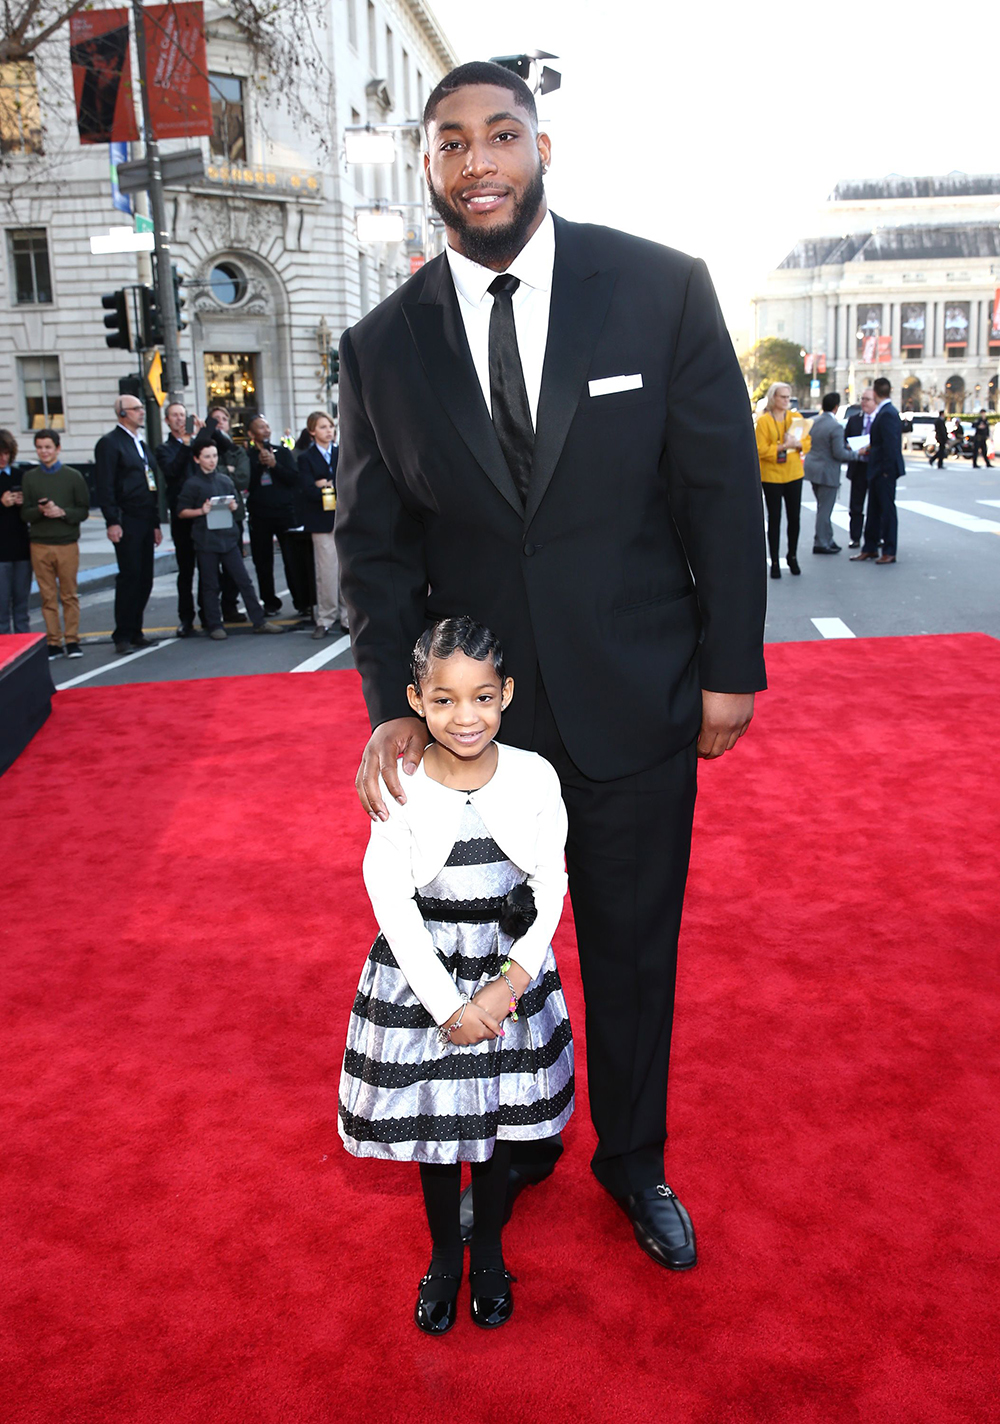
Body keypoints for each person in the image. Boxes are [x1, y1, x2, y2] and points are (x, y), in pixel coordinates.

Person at [336, 61, 766, 1274]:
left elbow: (719, 488)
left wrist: (732, 664)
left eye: (501, 136)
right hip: (476, 726)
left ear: (541, 149)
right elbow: (373, 552)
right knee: (481, 944)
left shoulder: (658, 287)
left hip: (638, 687)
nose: (478, 162)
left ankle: (632, 1158)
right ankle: (514, 1133)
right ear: (426, 167)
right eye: (450, 143)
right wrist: (399, 711)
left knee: (632, 943)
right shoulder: (379, 344)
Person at [339, 617, 573, 1333]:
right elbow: (389, 899)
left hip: (507, 977)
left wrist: (506, 988)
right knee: (439, 1128)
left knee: (496, 1124)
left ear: (505, 693)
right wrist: (447, 1005)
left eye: (480, 697)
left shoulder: (535, 774)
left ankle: (492, 1252)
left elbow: (551, 882)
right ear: (415, 699)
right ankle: (446, 1256)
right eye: (443, 700)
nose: (464, 717)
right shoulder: (400, 785)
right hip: (425, 983)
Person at [175, 436, 284, 639]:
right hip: (206, 541)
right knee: (210, 584)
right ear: (197, 459)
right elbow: (181, 511)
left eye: (214, 456)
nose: (212, 460)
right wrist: (201, 510)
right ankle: (214, 624)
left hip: (228, 538)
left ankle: (259, 621)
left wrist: (234, 507)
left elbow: (237, 507)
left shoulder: (224, 480)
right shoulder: (193, 484)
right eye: (207, 457)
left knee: (244, 581)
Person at [94, 394, 166, 654]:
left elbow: (151, 485)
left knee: (145, 577)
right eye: (135, 409)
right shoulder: (110, 444)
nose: (141, 412)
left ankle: (136, 629)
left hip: (146, 518)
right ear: (122, 413)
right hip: (127, 518)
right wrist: (112, 520)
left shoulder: (141, 444)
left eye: (140, 408)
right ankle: (122, 633)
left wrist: (156, 522)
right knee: (130, 576)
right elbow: (105, 485)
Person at [21, 430, 91, 659]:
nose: (44, 452)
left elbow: (82, 509)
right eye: (40, 447)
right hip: (40, 543)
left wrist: (62, 512)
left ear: (58, 449)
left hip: (66, 542)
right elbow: (25, 513)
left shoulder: (73, 477)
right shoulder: (30, 478)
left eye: (48, 447)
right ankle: (53, 640)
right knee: (47, 595)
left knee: (69, 594)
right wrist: (40, 510)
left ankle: (72, 639)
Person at [246, 415, 311, 616]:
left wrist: (275, 465)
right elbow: (246, 484)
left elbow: (294, 478)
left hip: (284, 512)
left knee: (293, 560)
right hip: (259, 514)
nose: (265, 430)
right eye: (260, 427)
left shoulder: (282, 452)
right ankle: (270, 602)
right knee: (263, 561)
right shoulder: (246, 456)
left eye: (267, 426)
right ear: (251, 434)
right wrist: (259, 465)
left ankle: (302, 602)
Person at [156, 400, 204, 638]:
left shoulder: (198, 445)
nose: (179, 419)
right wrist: (186, 445)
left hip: (204, 514)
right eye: (174, 416)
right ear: (167, 421)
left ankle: (209, 615)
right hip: (182, 515)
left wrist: (202, 434)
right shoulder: (165, 449)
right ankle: (186, 619)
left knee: (208, 568)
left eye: (182, 415)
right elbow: (172, 471)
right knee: (186, 571)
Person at [298, 411, 348, 639]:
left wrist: (326, 484)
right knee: (326, 572)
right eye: (322, 427)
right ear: (312, 431)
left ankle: (348, 618)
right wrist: (324, 486)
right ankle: (326, 618)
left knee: (347, 572)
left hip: (345, 519)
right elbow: (307, 489)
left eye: (330, 426)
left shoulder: (343, 453)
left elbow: (349, 482)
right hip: (321, 522)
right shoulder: (306, 458)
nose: (328, 430)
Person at [757, 381, 810, 578]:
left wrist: (797, 444)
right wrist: (781, 446)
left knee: (794, 517)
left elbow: (807, 442)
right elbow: (760, 449)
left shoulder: (796, 417)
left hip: (794, 473)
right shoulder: (764, 421)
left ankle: (792, 556)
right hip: (771, 475)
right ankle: (775, 561)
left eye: (788, 397)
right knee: (775, 519)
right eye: (783, 397)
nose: (787, 400)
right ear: (773, 398)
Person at [851, 375, 904, 565]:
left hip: (884, 470)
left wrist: (886, 471)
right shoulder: (886, 411)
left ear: (875, 392)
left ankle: (889, 550)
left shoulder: (888, 413)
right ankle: (870, 547)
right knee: (873, 510)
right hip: (877, 469)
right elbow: (883, 443)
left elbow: (891, 445)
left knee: (886, 511)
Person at [804, 391, 853, 554]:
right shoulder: (835, 426)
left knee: (822, 506)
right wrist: (856, 455)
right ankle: (821, 541)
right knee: (825, 510)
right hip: (828, 472)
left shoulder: (812, 421)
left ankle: (828, 538)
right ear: (836, 407)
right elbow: (839, 453)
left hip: (812, 469)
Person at [0, 430, 32, 635]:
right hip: (0, 553)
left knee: (21, 604)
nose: (3, 458)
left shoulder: (22, 476)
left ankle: (24, 647)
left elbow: (33, 512)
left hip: (22, 549)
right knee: (1, 606)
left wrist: (24, 503)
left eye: (6, 453)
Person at [844, 388, 876, 547]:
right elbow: (845, 441)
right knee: (856, 504)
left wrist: (869, 449)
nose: (863, 402)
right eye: (862, 399)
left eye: (867, 399)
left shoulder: (880, 420)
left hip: (874, 466)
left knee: (876, 504)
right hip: (858, 466)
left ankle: (876, 537)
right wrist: (851, 448)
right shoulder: (854, 420)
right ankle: (855, 537)